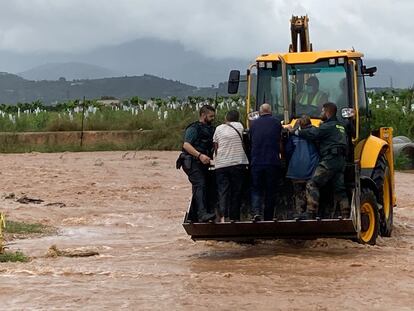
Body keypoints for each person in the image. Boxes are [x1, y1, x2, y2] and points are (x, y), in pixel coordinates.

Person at [287, 102, 350, 219]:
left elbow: (313, 133)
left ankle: (311, 212)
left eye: (322, 111)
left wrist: (295, 132)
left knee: (312, 183)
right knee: (340, 189)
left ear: (327, 112)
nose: (321, 113)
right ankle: (346, 216)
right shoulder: (340, 126)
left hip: (330, 161)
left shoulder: (327, 126)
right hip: (341, 161)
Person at [181, 105, 216, 222]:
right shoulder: (193, 128)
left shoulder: (211, 129)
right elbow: (186, 145)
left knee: (204, 185)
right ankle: (201, 214)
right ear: (203, 115)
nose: (213, 118)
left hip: (204, 163)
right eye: (211, 116)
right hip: (191, 161)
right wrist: (199, 155)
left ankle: (198, 214)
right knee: (200, 184)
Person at [213, 110, 249, 222]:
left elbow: (215, 146)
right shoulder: (240, 126)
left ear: (226, 118)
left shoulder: (218, 128)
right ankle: (235, 218)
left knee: (223, 191)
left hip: (221, 165)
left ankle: (224, 216)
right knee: (236, 192)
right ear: (237, 118)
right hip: (238, 163)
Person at [249, 103, 282, 221]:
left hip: (256, 162)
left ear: (260, 112)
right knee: (270, 190)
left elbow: (250, 140)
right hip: (272, 162)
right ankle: (268, 217)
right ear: (270, 111)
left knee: (256, 188)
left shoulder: (253, 124)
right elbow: (280, 140)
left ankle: (256, 213)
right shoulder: (277, 123)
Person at [285, 115, 319, 218]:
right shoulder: (315, 134)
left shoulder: (293, 136)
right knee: (311, 190)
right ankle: (311, 212)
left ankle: (299, 213)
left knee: (298, 193)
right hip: (311, 170)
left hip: (295, 171)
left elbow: (288, 151)